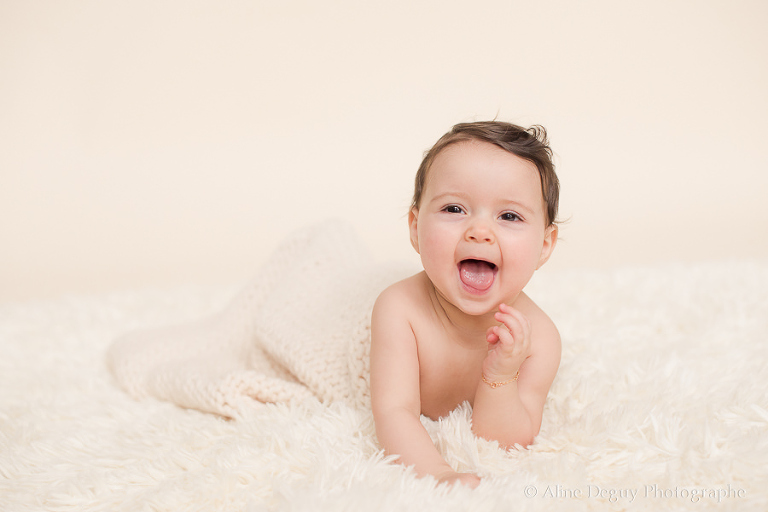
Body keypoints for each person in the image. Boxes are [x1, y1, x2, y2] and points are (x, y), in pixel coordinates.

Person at [370, 121, 561, 488]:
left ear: (544, 246)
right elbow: (393, 411)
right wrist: (439, 474)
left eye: (509, 216)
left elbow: (506, 443)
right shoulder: (399, 310)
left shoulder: (539, 339)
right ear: (415, 227)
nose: (480, 232)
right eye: (454, 208)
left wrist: (501, 377)